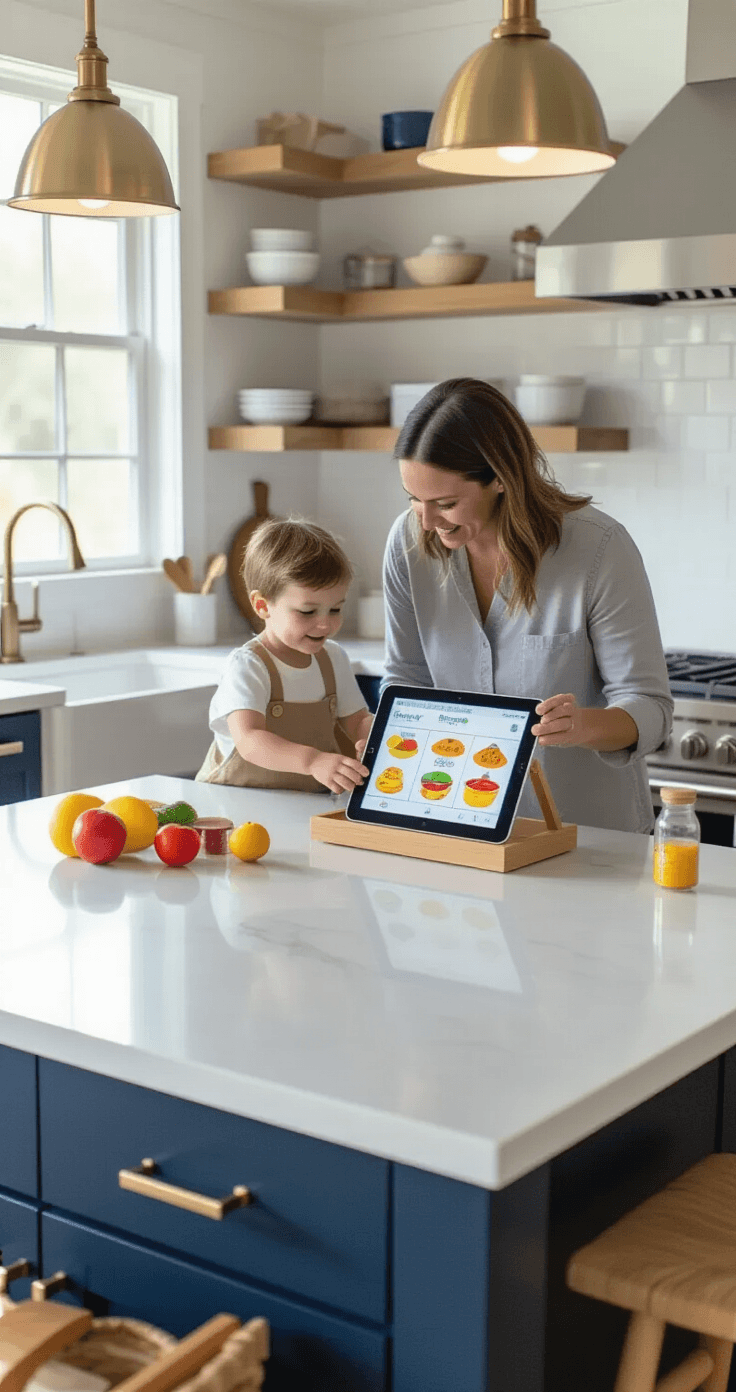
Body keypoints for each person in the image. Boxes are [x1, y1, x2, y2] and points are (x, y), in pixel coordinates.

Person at [382, 378, 673, 832]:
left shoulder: (599, 550)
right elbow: (406, 682)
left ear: (500, 477)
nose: (425, 520)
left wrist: (584, 726)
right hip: (461, 825)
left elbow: (651, 708)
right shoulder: (408, 542)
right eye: (414, 500)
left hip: (591, 839)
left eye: (445, 503)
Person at [196, 518, 372, 793]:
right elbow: (250, 740)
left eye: (335, 609)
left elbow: (357, 719)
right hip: (235, 806)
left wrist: (370, 737)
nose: (325, 624)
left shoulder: (333, 659)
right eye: (307, 612)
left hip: (304, 804)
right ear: (262, 605)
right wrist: (313, 761)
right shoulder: (249, 665)